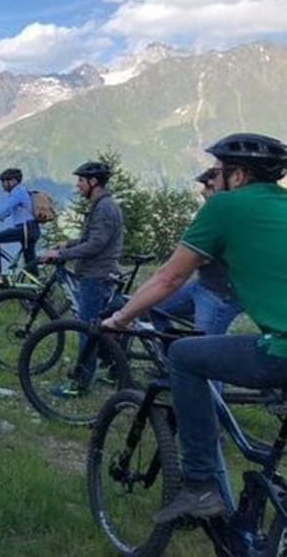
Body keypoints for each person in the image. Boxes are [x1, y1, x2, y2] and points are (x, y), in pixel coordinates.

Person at [102, 133, 287, 524]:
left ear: (238, 175)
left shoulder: (225, 207)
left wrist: (120, 318)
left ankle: (200, 484)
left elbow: (169, 278)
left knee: (184, 355)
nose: (211, 181)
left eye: (216, 173)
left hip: (283, 349)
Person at [42, 161, 123, 396]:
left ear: (93, 182)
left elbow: (97, 244)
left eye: (80, 180)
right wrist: (68, 243)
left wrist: (61, 254)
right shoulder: (100, 205)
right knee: (99, 326)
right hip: (96, 273)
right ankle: (114, 368)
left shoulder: (104, 208)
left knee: (87, 330)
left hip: (96, 276)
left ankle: (79, 384)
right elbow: (92, 238)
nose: (77, 185)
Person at [150, 167, 242, 337]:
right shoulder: (212, 212)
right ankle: (169, 357)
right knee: (153, 308)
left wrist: (183, 256)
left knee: (203, 351)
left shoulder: (230, 215)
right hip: (202, 285)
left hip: (220, 295)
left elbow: (199, 257)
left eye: (207, 186)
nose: (202, 191)